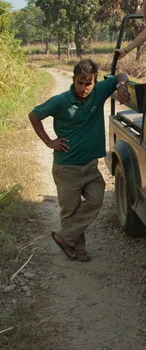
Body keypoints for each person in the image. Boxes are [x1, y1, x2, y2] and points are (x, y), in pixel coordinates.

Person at [28, 59, 130, 262]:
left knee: (96, 199)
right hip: (66, 168)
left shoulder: (98, 92)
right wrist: (49, 141)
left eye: (88, 83)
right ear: (73, 80)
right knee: (70, 210)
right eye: (80, 83)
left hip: (90, 166)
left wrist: (121, 85)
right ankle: (78, 248)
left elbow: (122, 75)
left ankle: (64, 237)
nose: (84, 88)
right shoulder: (60, 101)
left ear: (93, 82)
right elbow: (34, 115)